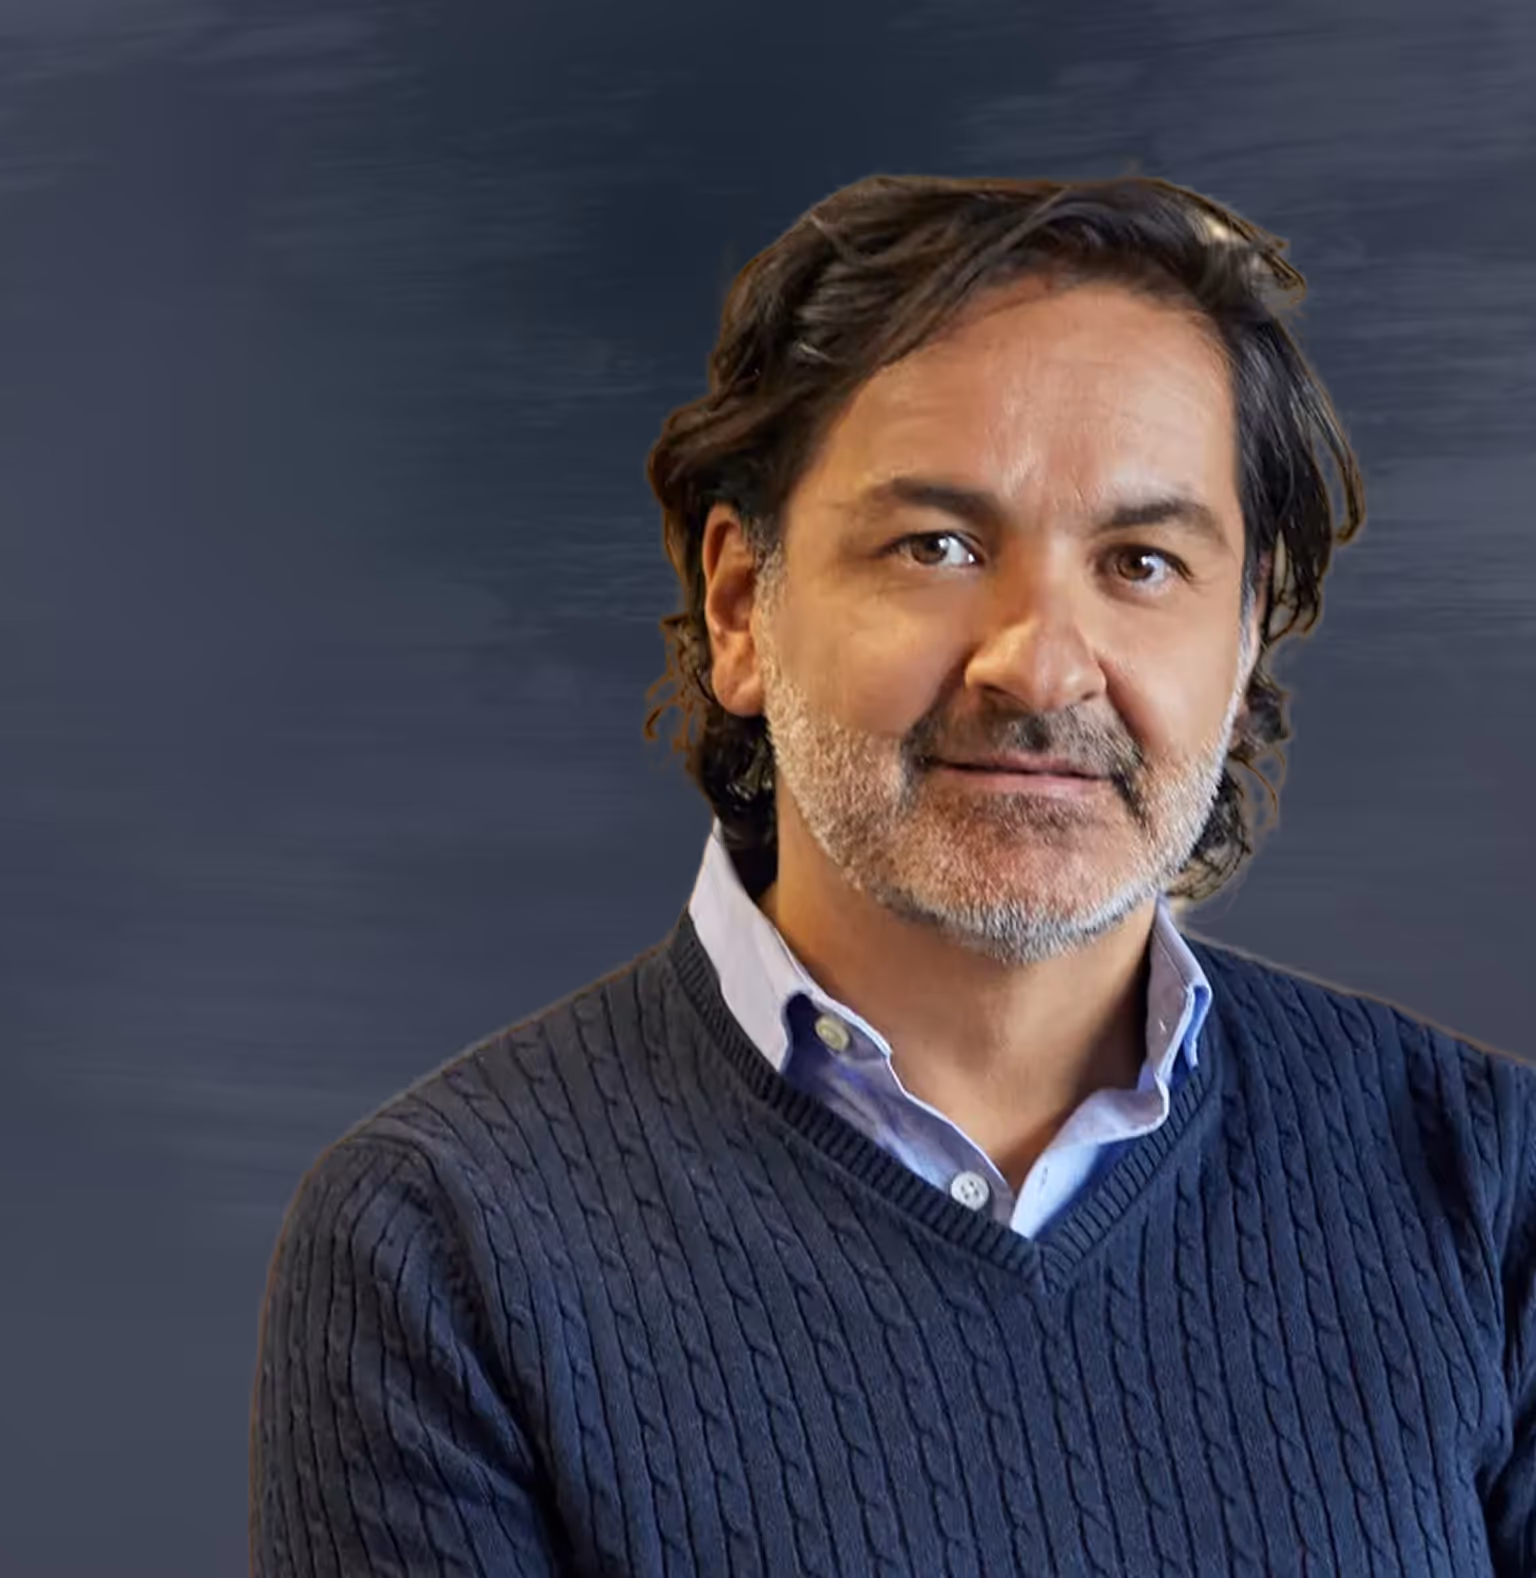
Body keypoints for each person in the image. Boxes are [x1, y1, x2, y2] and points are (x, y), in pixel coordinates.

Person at [248, 174, 1536, 1576]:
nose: (1041, 666)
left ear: (1243, 638)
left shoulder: (1483, 1177)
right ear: (741, 608)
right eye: (938, 547)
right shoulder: (441, 1244)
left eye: (1142, 561)